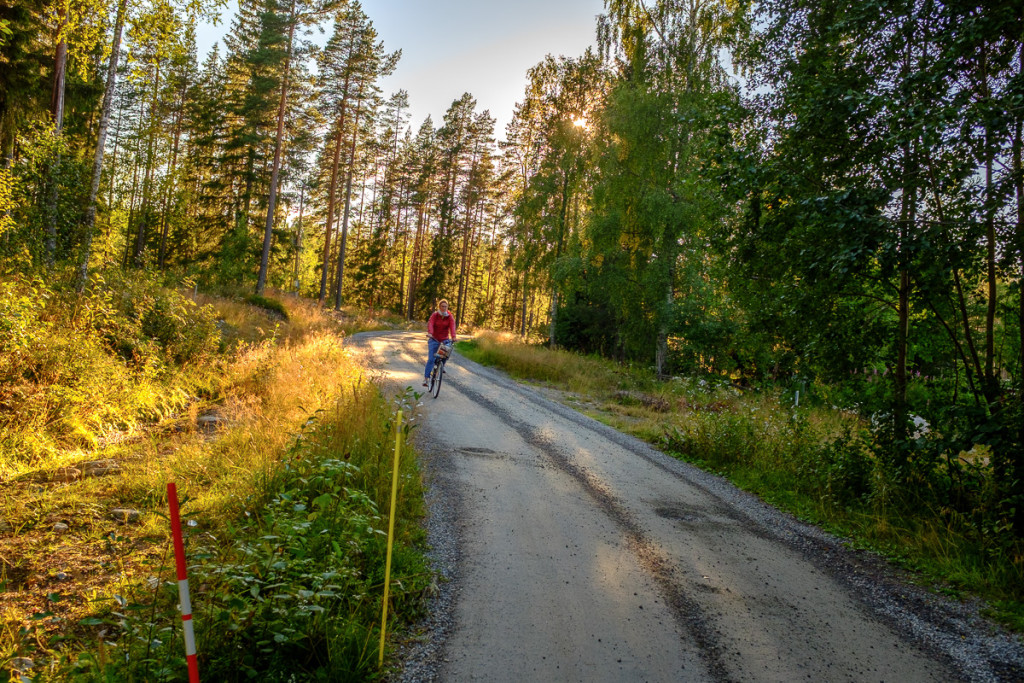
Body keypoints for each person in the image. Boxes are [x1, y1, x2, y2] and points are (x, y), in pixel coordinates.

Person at [424, 299, 457, 386]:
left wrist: (453, 337)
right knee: (431, 359)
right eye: (442, 306)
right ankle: (426, 379)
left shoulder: (450, 317)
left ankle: (442, 365)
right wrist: (430, 333)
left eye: (446, 306)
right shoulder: (435, 315)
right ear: (439, 307)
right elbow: (430, 323)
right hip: (434, 339)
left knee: (447, 353)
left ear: (447, 307)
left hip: (444, 340)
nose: (444, 308)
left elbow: (452, 327)